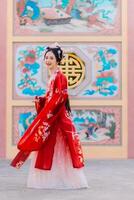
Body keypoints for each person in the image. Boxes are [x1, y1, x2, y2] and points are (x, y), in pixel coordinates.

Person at [11, 44, 89, 189]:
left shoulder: (60, 77)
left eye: (51, 58)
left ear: (58, 59)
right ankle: (51, 180)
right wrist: (41, 100)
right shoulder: (53, 76)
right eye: (46, 57)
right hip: (52, 115)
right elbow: (52, 97)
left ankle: (61, 180)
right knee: (49, 148)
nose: (48, 60)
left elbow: (59, 98)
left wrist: (47, 113)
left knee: (56, 148)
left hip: (56, 117)